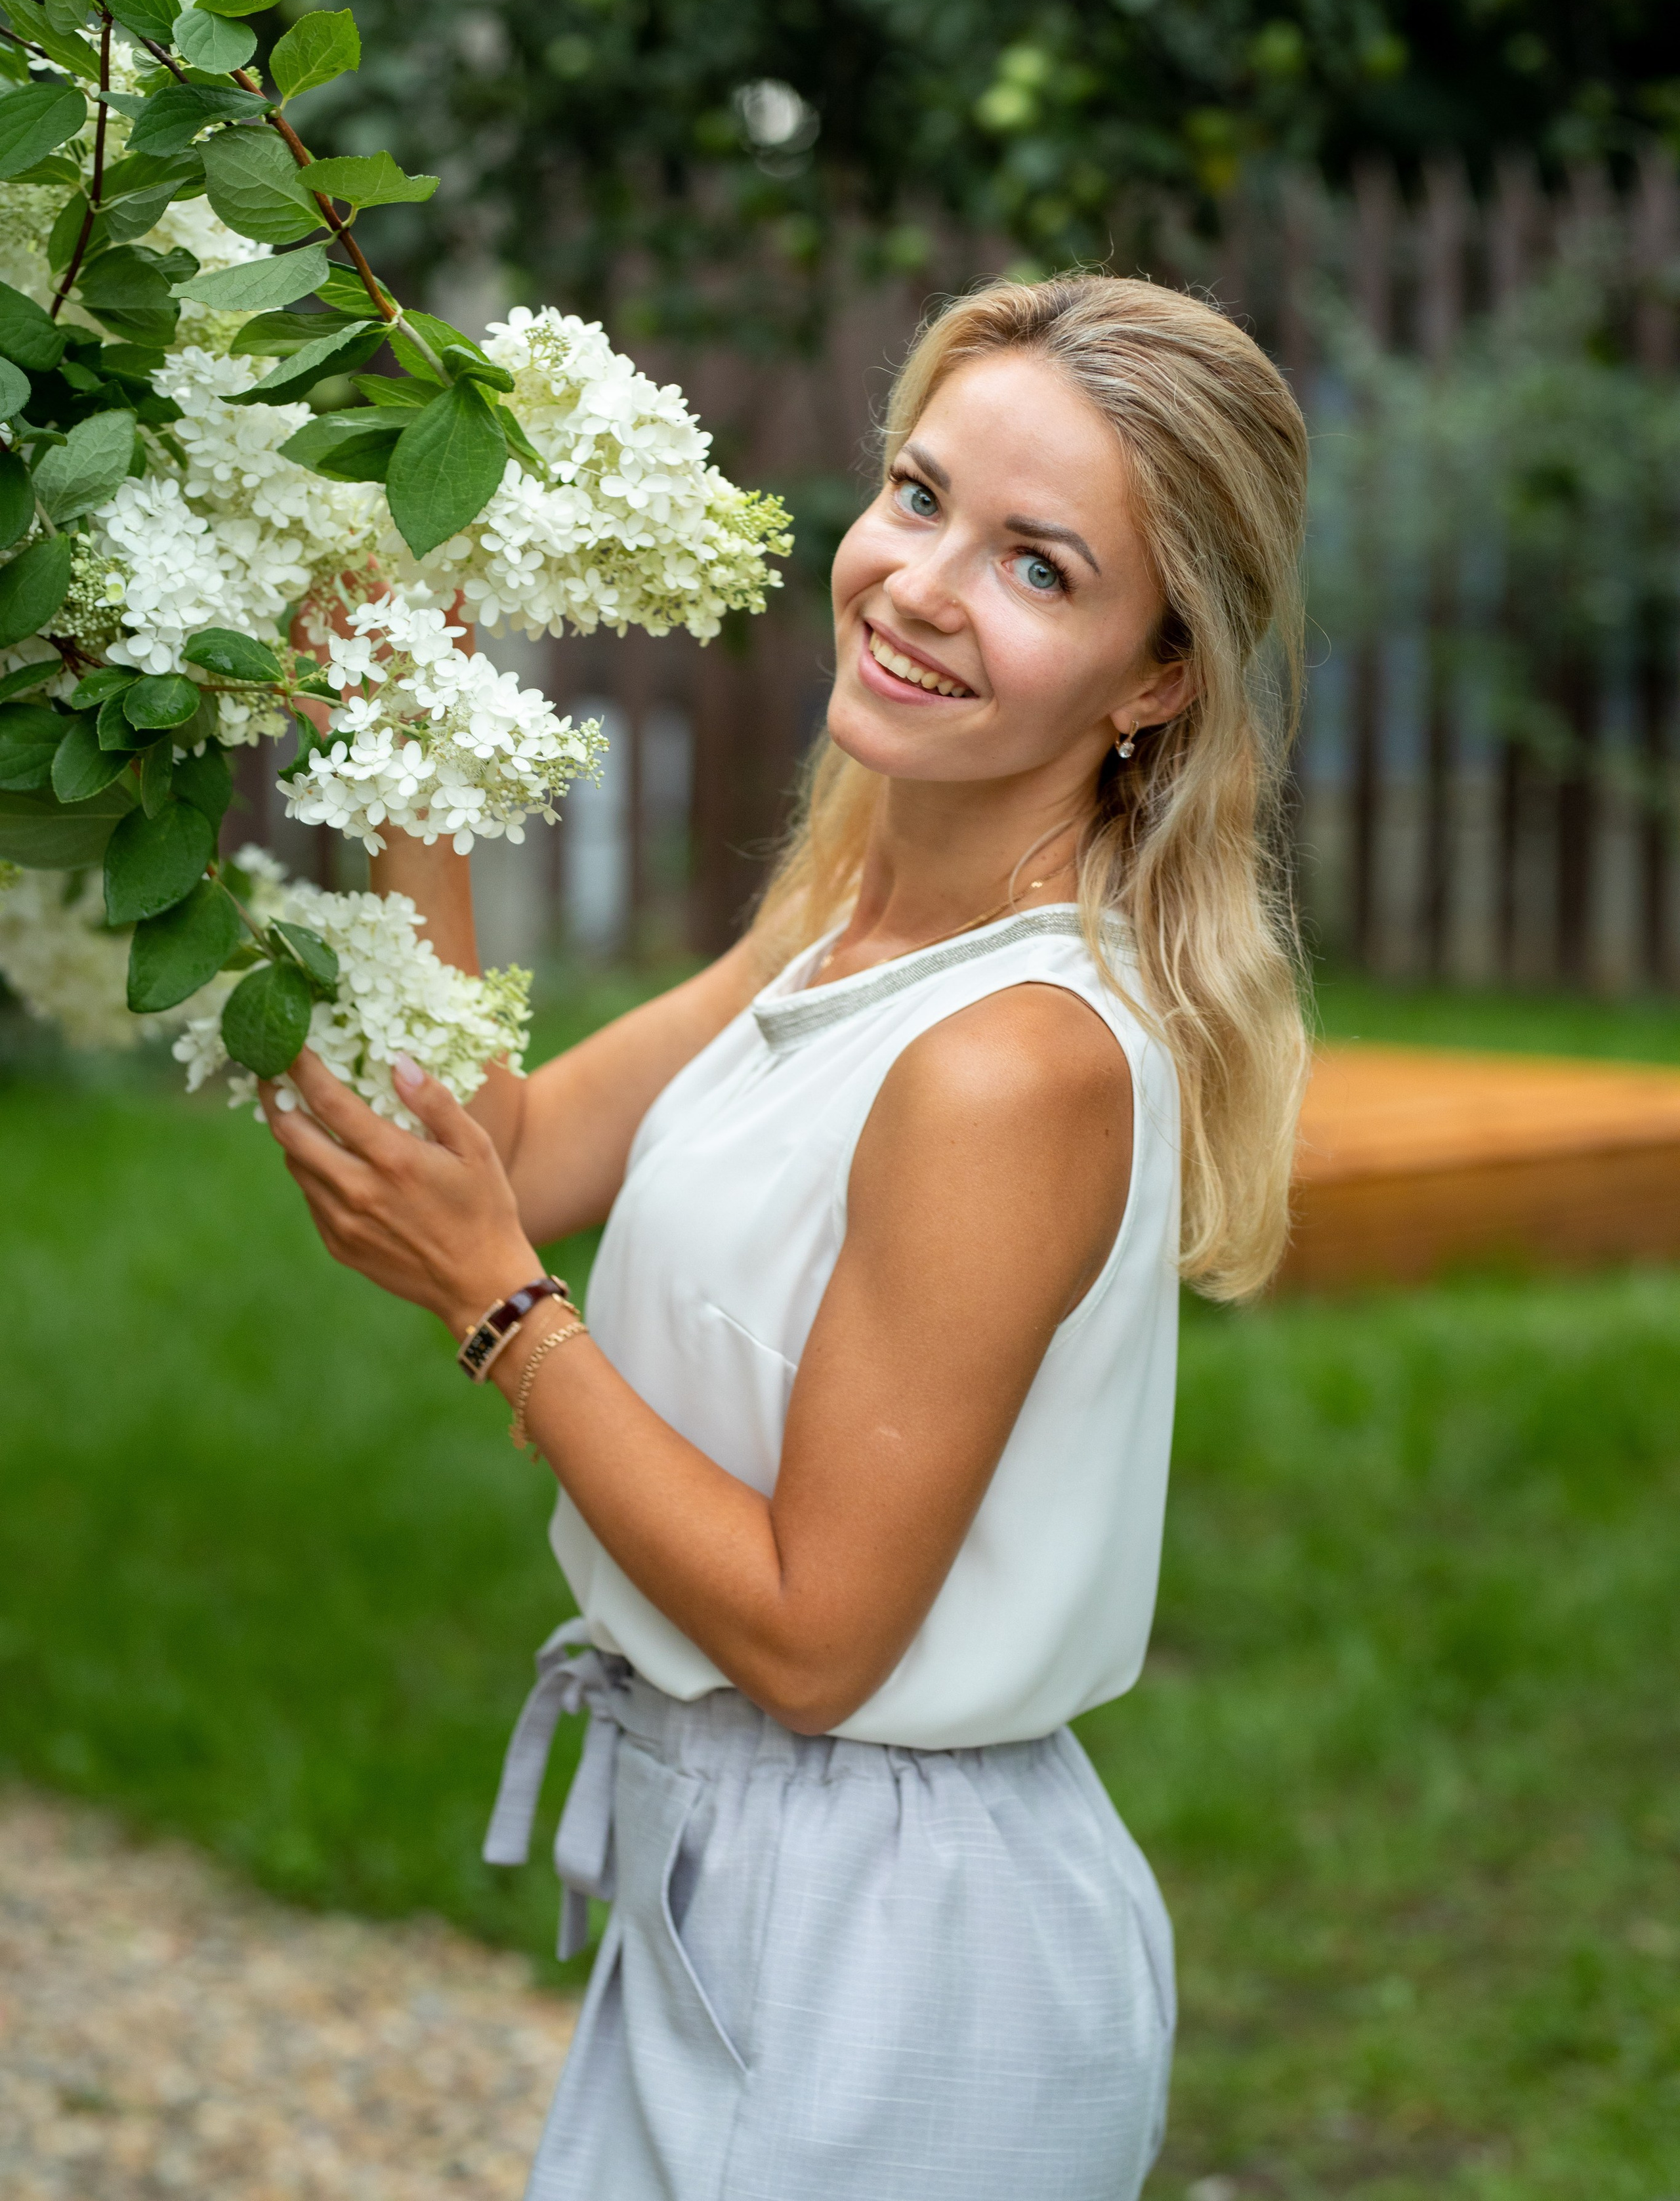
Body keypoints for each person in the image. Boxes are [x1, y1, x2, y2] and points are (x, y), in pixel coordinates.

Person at [262, 272, 1310, 2201]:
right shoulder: (841, 933)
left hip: (894, 1959)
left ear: (1160, 675)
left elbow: (819, 1639)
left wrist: (504, 1313)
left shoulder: (1012, 1060)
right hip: (745, 1874)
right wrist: (403, 740)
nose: (917, 584)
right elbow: (492, 1143)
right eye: (917, 498)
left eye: (1040, 569)